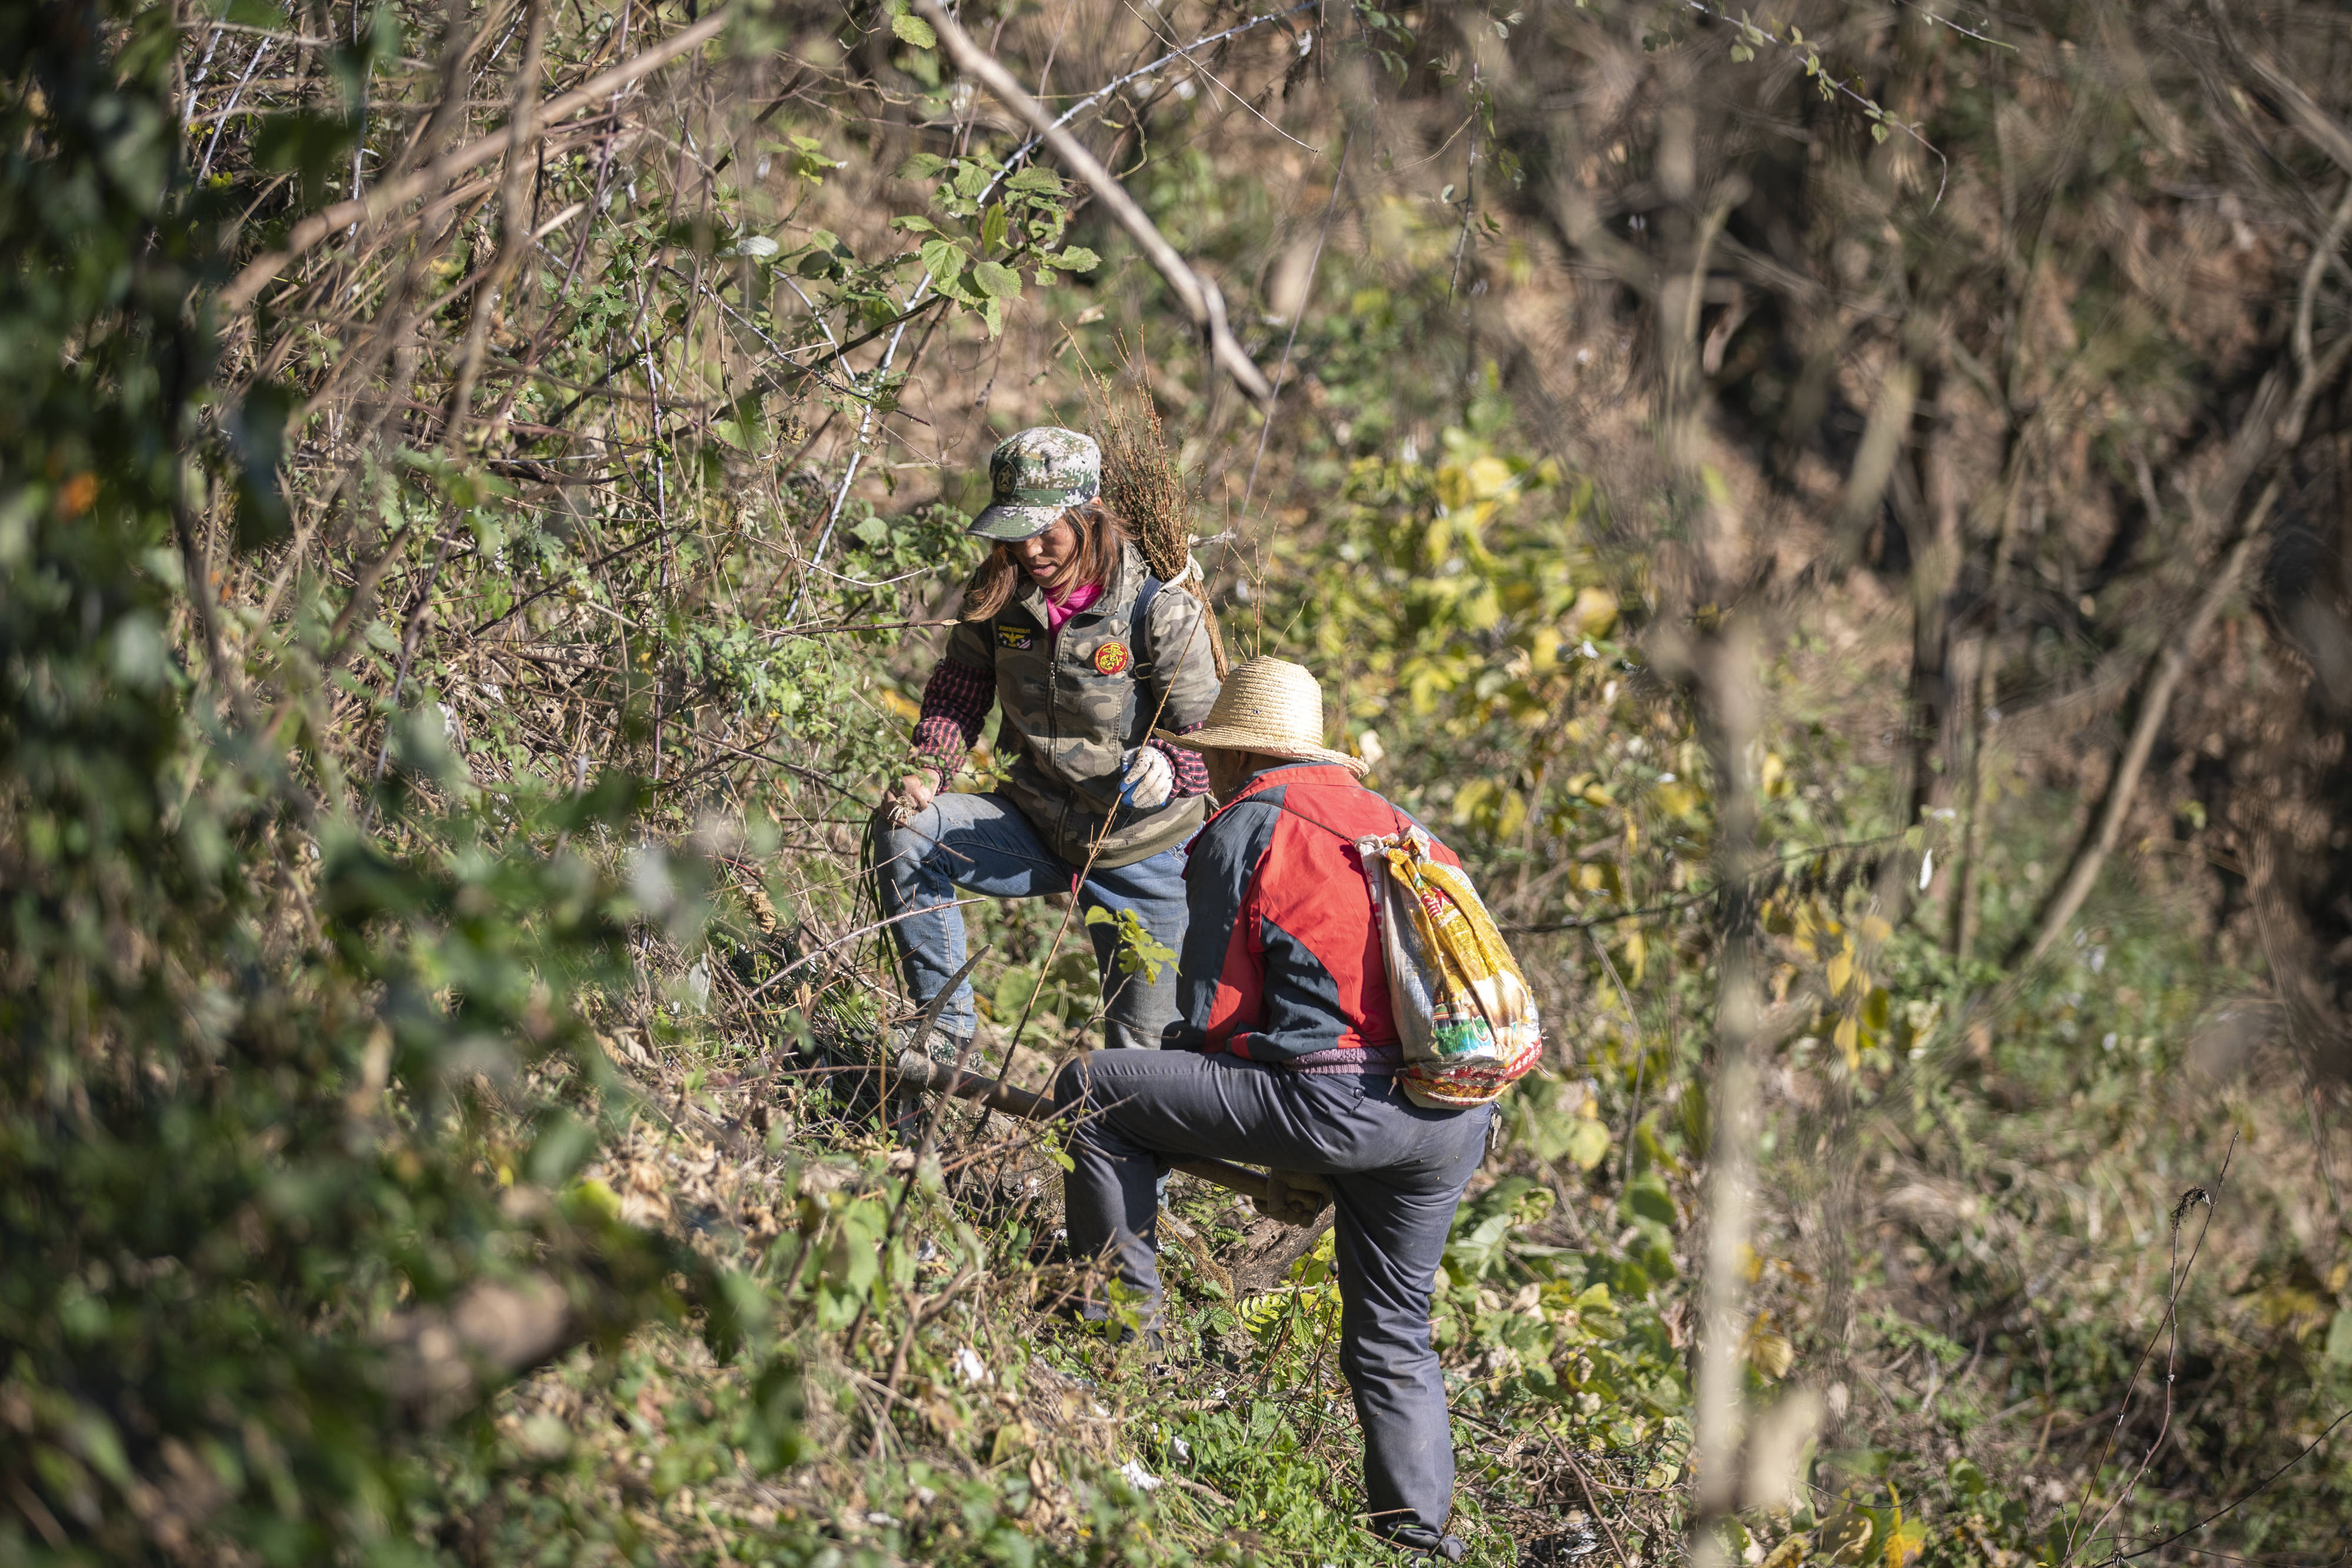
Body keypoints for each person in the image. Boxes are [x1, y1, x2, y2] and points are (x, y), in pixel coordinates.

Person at [1050, 657, 1488, 1564]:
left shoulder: (1247, 823)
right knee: (1396, 1328)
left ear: (1243, 753)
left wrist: (1286, 1149)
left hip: (1334, 1106)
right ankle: (1418, 1541)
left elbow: (1213, 1017)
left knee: (1093, 1090)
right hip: (1450, 1116)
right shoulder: (1405, 825)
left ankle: (1121, 1350)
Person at [874, 426, 1223, 1063]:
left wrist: (1170, 764)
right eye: (1015, 532)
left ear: (1088, 515)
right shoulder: (1000, 593)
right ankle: (945, 1034)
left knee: (1142, 1062)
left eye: (1047, 531)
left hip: (1139, 852)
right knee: (908, 831)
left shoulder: (1157, 609)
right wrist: (928, 768)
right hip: (1033, 824)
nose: (1030, 549)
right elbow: (959, 692)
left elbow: (1212, 740)